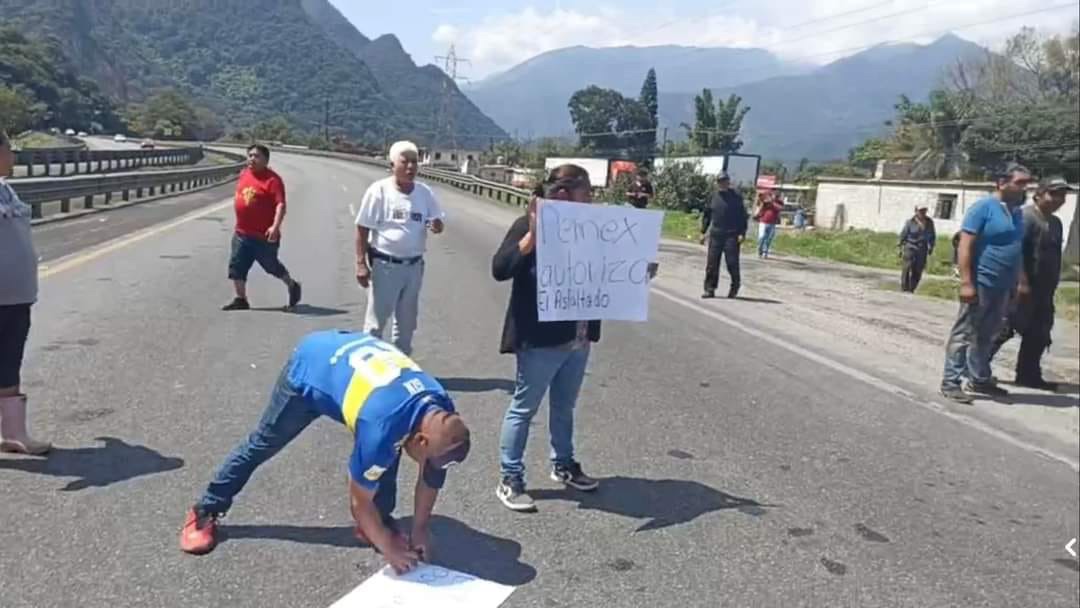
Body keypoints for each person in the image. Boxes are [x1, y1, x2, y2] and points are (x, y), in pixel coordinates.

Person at [179, 329, 471, 574]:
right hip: (310, 370)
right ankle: (205, 509)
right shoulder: (381, 427)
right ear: (421, 441)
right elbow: (358, 500)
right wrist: (387, 545)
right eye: (433, 461)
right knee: (263, 443)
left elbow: (432, 476)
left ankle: (376, 521)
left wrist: (420, 528)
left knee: (388, 450)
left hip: (359, 376)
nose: (434, 468)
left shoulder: (441, 411)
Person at [491, 164, 643, 512]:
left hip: (578, 337)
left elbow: (607, 273)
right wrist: (531, 237)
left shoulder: (593, 230)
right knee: (524, 409)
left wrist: (636, 272)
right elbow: (500, 269)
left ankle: (564, 464)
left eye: (588, 193)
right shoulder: (527, 226)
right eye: (583, 192)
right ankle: (510, 477)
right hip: (540, 338)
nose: (589, 198)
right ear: (561, 195)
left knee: (564, 407)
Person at [939, 164, 1032, 404]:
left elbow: (1016, 249)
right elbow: (965, 245)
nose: (1026, 187)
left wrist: (1020, 281)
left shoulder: (1017, 212)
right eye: (1020, 182)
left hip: (1003, 285)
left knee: (988, 334)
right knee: (965, 333)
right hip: (981, 281)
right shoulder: (982, 208)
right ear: (1002, 182)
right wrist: (966, 282)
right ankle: (951, 382)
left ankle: (979, 378)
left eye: (1027, 182)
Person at [355, 141, 445, 356]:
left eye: (414, 162)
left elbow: (434, 222)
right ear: (392, 164)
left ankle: (400, 367)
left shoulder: (424, 193)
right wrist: (360, 264)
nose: (411, 167)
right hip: (386, 265)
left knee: (406, 323)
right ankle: (368, 366)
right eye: (405, 162)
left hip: (414, 266)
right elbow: (362, 227)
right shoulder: (379, 191)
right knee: (376, 322)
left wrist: (436, 225)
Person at [990, 177, 1074, 390]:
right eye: (1053, 194)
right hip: (1021, 288)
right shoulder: (1025, 217)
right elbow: (1015, 251)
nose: (1059, 199)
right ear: (1039, 194)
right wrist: (1022, 281)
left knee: (1039, 333)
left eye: (1062, 195)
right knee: (1004, 328)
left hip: (1044, 289)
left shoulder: (1055, 223)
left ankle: (1028, 375)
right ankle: (975, 367)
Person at [0, 131, 50, 455]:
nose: (14, 156)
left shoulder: (6, 190)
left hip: (16, 296)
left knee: (8, 364)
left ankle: (14, 434)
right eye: (9, 149)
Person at [223, 144, 302, 311]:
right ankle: (241, 298)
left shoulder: (273, 180)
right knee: (237, 266)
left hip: (263, 236)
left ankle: (292, 284)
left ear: (266, 160)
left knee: (271, 266)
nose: (252, 159)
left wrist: (275, 226)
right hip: (242, 232)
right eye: (250, 155)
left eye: (257, 156)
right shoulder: (244, 174)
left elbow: (280, 205)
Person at [700, 172, 748, 299]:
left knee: (731, 262)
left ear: (728, 182)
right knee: (712, 263)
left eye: (724, 181)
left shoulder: (736, 197)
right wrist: (703, 232)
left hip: (732, 235)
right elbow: (707, 215)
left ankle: (735, 286)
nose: (722, 184)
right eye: (720, 181)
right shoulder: (713, 196)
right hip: (716, 234)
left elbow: (743, 216)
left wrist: (742, 233)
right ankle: (709, 289)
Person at [898, 205, 937, 292]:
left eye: (924, 210)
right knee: (907, 268)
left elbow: (932, 235)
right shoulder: (910, 222)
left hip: (922, 248)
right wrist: (900, 246)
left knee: (918, 269)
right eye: (921, 210)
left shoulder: (929, 222)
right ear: (916, 211)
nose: (923, 212)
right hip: (910, 246)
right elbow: (903, 234)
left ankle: (912, 289)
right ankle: (904, 288)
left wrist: (931, 246)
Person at [754, 191, 783, 259]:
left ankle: (765, 252)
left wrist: (772, 202)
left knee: (769, 239)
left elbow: (780, 208)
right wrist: (763, 201)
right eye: (773, 195)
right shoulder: (765, 201)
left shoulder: (778, 202)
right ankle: (760, 249)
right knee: (761, 237)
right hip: (763, 222)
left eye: (775, 195)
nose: (774, 196)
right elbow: (759, 204)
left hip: (772, 223)